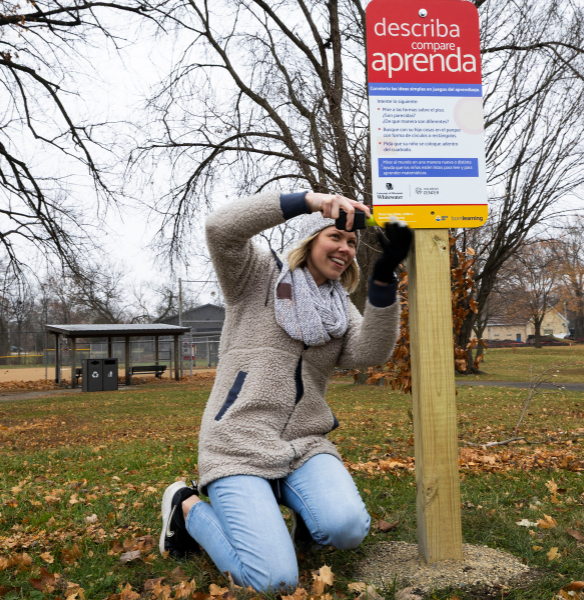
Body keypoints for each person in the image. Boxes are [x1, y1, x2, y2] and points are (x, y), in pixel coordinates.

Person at [158, 190, 413, 592]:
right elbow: (220, 229)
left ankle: (291, 512)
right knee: (272, 580)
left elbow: (371, 351)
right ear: (311, 239)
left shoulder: (339, 307)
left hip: (304, 444)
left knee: (347, 529)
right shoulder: (256, 276)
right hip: (238, 442)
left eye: (352, 243)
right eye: (335, 237)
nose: (345, 249)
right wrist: (309, 200)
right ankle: (186, 508)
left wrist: (383, 280)